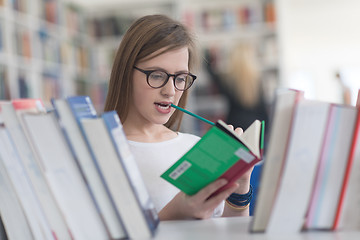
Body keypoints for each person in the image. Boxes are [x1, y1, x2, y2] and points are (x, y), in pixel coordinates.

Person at [104, 14, 253, 220]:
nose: (170, 91)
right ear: (126, 72)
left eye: (180, 78)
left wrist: (240, 188)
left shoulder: (197, 150)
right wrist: (172, 214)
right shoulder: (100, 152)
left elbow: (227, 232)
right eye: (156, 75)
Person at [204, 42, 269, 132]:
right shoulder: (258, 80)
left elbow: (209, 70)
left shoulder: (227, 80)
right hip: (255, 128)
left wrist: (209, 53)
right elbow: (263, 110)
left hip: (234, 127)